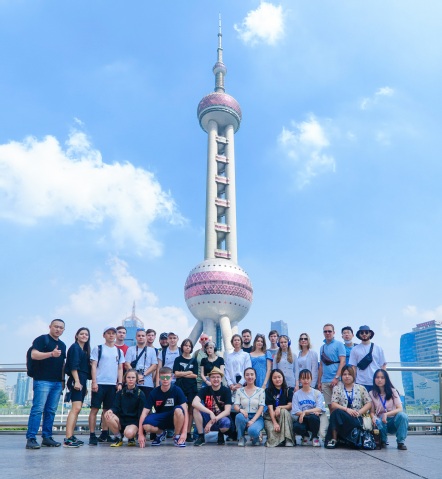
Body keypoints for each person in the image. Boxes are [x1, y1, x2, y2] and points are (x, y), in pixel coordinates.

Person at [26, 319, 67, 449]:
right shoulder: (42, 339)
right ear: (50, 327)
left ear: (63, 330)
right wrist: (51, 354)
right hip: (42, 380)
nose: (58, 329)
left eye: (61, 328)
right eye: (56, 326)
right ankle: (31, 438)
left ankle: (47, 437)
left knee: (51, 411)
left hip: (57, 383)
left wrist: (63, 381)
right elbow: (34, 355)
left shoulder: (63, 345)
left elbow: (62, 365)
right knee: (37, 410)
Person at [88, 326, 125, 445]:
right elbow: (94, 366)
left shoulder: (118, 351)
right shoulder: (98, 348)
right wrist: (94, 382)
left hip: (112, 385)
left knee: (107, 410)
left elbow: (120, 368)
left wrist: (120, 382)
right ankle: (92, 435)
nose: (111, 335)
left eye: (113, 333)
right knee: (94, 409)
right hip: (99, 383)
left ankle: (104, 433)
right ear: (104, 335)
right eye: (108, 333)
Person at [138, 367, 188, 448]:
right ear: (159, 378)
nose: (165, 379)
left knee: (179, 410)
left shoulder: (177, 390)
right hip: (160, 418)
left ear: (171, 378)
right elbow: (144, 413)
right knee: (146, 425)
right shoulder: (154, 392)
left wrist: (184, 433)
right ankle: (161, 433)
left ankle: (177, 436)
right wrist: (140, 434)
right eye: (163, 377)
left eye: (167, 377)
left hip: (175, 418)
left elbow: (185, 411)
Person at [324, 365, 372, 449]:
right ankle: (334, 439)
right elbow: (333, 404)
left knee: (336, 414)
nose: (347, 376)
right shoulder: (337, 388)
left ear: (353, 375)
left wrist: (359, 412)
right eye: (344, 374)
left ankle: (334, 439)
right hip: (343, 416)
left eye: (349, 374)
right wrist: (346, 410)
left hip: (357, 417)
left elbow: (369, 403)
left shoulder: (361, 388)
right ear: (341, 376)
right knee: (335, 413)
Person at [104, 369, 147, 447]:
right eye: (128, 377)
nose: (131, 379)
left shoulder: (141, 394)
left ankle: (131, 437)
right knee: (107, 415)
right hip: (121, 421)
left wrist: (141, 433)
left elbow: (142, 414)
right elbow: (115, 407)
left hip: (134, 422)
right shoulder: (120, 393)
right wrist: (111, 410)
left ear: (136, 379)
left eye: (133, 377)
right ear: (125, 379)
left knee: (129, 433)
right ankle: (118, 437)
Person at [64, 327, 91, 447]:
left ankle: (71, 436)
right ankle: (68, 438)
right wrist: (77, 381)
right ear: (76, 336)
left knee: (77, 409)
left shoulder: (84, 350)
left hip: (82, 380)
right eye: (82, 334)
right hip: (77, 379)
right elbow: (73, 366)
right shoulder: (75, 348)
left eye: (86, 334)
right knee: (76, 408)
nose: (84, 336)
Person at [192, 367, 233, 446]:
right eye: (213, 377)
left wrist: (212, 421)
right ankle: (201, 437)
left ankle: (220, 435)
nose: (216, 379)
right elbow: (194, 402)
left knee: (226, 422)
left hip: (221, 418)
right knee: (195, 410)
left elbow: (227, 411)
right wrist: (210, 413)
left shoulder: (226, 390)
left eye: (218, 377)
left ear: (221, 379)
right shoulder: (205, 390)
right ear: (209, 379)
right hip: (208, 417)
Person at [369, 369, 408, 450]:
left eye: (382, 377)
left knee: (403, 416)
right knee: (378, 420)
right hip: (380, 422)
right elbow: (372, 412)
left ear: (386, 379)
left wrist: (386, 414)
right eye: (377, 377)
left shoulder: (393, 391)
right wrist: (373, 417)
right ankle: (383, 441)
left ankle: (400, 442)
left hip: (393, 420)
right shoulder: (371, 393)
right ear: (374, 379)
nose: (379, 380)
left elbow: (400, 408)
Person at [291, 369, 325, 447]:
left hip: (314, 418)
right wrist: (305, 413)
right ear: (300, 380)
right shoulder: (296, 394)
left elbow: (319, 408)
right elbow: (295, 410)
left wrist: (305, 412)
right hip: (302, 418)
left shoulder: (317, 393)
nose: (306, 381)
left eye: (308, 378)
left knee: (313, 418)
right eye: (303, 378)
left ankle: (314, 437)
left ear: (311, 379)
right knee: (296, 426)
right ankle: (305, 436)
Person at [173, 339, 198, 442]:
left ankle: (188, 432)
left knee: (190, 410)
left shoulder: (194, 360)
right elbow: (176, 374)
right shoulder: (178, 359)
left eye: (189, 346)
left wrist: (182, 373)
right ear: (182, 347)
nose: (187, 347)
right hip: (180, 387)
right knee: (180, 409)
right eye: (186, 345)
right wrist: (188, 372)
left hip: (191, 387)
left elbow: (195, 375)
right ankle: (179, 432)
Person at [349, 325, 387, 392]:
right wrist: (353, 382)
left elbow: (383, 366)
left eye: (366, 332)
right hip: (360, 382)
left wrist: (384, 380)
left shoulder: (378, 348)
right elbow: (353, 367)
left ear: (370, 334)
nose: (364, 334)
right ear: (359, 334)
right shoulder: (355, 349)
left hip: (376, 381)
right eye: (362, 332)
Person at [317, 324, 346, 409]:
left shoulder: (339, 344)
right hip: (325, 380)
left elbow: (342, 361)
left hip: (337, 380)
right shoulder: (322, 348)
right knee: (329, 406)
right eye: (325, 331)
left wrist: (336, 377)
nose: (327, 333)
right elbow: (321, 366)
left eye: (329, 331)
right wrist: (319, 382)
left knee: (339, 405)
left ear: (334, 332)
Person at [234, 367, 265, 446]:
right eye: (247, 375)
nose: (250, 377)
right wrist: (240, 410)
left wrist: (252, 421)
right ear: (244, 377)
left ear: (255, 376)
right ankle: (241, 437)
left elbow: (261, 408)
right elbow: (236, 406)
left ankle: (256, 437)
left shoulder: (261, 391)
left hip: (257, 417)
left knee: (252, 431)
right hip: (245, 415)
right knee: (239, 416)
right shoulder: (239, 391)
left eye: (252, 374)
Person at [264, 369, 295, 447]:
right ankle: (281, 440)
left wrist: (279, 407)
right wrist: (275, 423)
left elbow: (290, 406)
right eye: (274, 378)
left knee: (284, 411)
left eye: (279, 377)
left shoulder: (288, 390)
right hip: (271, 417)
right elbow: (270, 409)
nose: (277, 379)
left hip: (284, 417)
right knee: (272, 440)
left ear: (283, 377)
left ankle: (288, 439)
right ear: (271, 379)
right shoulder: (268, 391)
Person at [125, 328, 157, 399]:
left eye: (143, 336)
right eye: (139, 336)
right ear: (136, 337)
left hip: (147, 383)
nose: (141, 337)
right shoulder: (130, 349)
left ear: (146, 337)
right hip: (132, 383)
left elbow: (154, 366)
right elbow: (127, 364)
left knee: (146, 403)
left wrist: (143, 375)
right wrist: (136, 375)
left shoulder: (152, 350)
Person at [224, 334, 252, 399]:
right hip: (231, 386)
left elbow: (248, 370)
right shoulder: (228, 356)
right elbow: (227, 371)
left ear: (241, 342)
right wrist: (230, 384)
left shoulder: (246, 355)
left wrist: (240, 384)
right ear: (232, 342)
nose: (236, 342)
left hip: (243, 384)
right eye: (235, 340)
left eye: (238, 340)